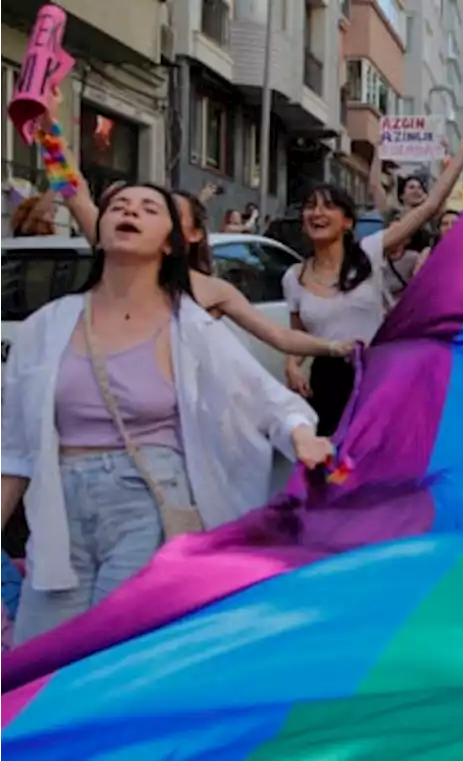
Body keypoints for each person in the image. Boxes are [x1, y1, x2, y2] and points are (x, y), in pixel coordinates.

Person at [0, 183, 332, 643]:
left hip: (149, 503)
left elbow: (261, 396)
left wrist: (302, 435)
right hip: (60, 513)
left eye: (147, 208)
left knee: (119, 656)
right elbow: (14, 452)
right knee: (40, 660)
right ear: (99, 231)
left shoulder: (187, 323)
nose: (129, 211)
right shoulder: (48, 325)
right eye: (118, 206)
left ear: (171, 241)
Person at [36, 86, 348, 361]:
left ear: (193, 234)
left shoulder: (209, 289)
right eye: (129, 208)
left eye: (157, 211)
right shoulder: (115, 249)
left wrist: (336, 347)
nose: (136, 216)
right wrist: (49, 127)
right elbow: (73, 192)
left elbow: (278, 336)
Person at [285, 140, 463, 434]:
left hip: (375, 376)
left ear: (348, 222)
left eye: (328, 206)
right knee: (331, 466)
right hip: (326, 381)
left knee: (378, 462)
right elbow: (297, 334)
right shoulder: (293, 277)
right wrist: (292, 365)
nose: (317, 213)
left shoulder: (369, 252)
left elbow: (428, 208)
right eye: (311, 207)